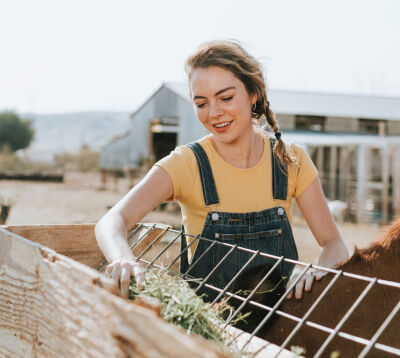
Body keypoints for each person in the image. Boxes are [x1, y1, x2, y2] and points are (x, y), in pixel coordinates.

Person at [95, 40, 349, 302]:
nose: (214, 113)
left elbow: (334, 245)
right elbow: (112, 221)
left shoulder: (290, 160)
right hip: (207, 330)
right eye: (201, 103)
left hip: (278, 331)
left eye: (226, 98)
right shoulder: (187, 163)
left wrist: (316, 270)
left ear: (253, 94)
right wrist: (122, 258)